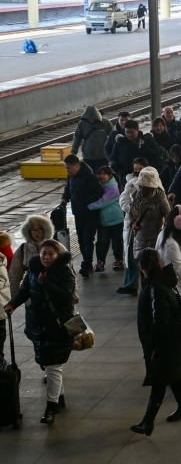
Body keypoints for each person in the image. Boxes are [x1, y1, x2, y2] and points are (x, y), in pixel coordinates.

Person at [4, 240, 76, 425]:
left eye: (51, 253)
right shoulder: (33, 270)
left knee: (53, 366)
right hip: (39, 326)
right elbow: (24, 290)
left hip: (58, 327)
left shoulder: (65, 272)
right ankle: (59, 399)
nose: (46, 257)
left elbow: (67, 296)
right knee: (48, 364)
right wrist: (13, 304)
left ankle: (51, 407)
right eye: (44, 253)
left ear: (57, 255)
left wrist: (46, 283)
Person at [130, 248, 181, 436]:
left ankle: (148, 422)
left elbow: (160, 320)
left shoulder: (155, 287)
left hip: (164, 343)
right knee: (174, 374)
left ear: (142, 268)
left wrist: (152, 343)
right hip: (174, 340)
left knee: (158, 381)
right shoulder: (163, 283)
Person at [61, 154, 104, 278]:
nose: (67, 170)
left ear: (77, 165)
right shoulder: (71, 176)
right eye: (66, 168)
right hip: (77, 213)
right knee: (80, 238)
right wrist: (64, 199)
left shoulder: (90, 176)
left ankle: (87, 263)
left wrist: (85, 201)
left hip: (90, 213)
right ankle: (86, 260)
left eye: (69, 168)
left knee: (87, 239)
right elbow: (68, 188)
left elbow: (98, 192)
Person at [115, 159, 146, 295]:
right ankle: (131, 285)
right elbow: (123, 200)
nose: (137, 171)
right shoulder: (130, 184)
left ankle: (147, 285)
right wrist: (133, 209)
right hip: (131, 225)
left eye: (140, 169)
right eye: (135, 169)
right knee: (131, 255)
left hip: (147, 226)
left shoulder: (154, 183)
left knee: (146, 257)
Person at [88, 165, 126, 273]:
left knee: (116, 241)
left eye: (104, 174)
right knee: (101, 242)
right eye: (99, 174)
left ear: (110, 175)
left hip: (115, 219)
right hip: (103, 220)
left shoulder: (113, 188)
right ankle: (100, 262)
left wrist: (88, 206)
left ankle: (118, 260)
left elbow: (102, 203)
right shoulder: (100, 185)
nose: (101, 176)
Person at [9, 214, 53, 302]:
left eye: (39, 229)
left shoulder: (55, 247)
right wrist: (13, 300)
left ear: (45, 230)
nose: (36, 232)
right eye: (33, 229)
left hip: (53, 297)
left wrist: (73, 294)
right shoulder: (23, 249)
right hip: (32, 299)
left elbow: (69, 272)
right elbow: (14, 276)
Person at [110, 119, 162, 184]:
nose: (129, 135)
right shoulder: (120, 142)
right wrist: (115, 167)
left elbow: (157, 155)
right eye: (127, 132)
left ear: (137, 130)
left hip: (145, 177)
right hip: (125, 178)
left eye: (132, 132)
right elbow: (113, 158)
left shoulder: (147, 140)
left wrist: (144, 147)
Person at [70, 106, 113, 174]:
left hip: (102, 155)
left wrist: (111, 153)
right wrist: (74, 152)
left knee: (100, 174)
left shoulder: (105, 123)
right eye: (89, 118)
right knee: (89, 174)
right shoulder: (82, 124)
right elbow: (77, 137)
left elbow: (112, 137)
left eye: (92, 117)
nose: (91, 119)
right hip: (88, 155)